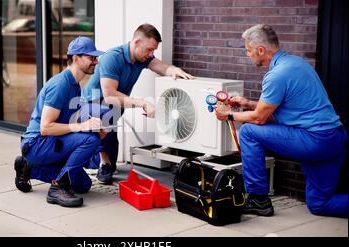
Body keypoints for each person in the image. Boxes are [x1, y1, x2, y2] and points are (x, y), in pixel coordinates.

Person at [214, 24, 348, 218]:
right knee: (319, 204)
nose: (248, 55)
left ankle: (258, 199)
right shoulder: (296, 63)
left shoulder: (276, 75)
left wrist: (228, 115)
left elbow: (260, 118)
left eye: (249, 51)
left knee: (249, 132)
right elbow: (273, 108)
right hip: (334, 139)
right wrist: (247, 103)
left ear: (261, 50)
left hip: (315, 140)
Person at [81, 23, 194, 184]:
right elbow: (109, 96)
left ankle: (108, 163)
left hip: (115, 103)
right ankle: (103, 163)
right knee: (104, 121)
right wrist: (143, 103)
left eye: (153, 50)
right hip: (92, 102)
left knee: (110, 134)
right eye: (149, 49)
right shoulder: (112, 57)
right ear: (136, 42)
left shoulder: (143, 58)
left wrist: (174, 71)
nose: (151, 54)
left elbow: (162, 67)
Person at [14, 36, 105, 208]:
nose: (96, 61)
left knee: (83, 185)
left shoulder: (76, 85)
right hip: (37, 143)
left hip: (52, 141)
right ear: (76, 58)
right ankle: (58, 188)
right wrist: (83, 128)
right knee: (90, 140)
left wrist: (90, 125)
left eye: (96, 57)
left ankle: (29, 168)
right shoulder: (61, 84)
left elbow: (70, 119)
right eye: (92, 57)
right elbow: (46, 127)